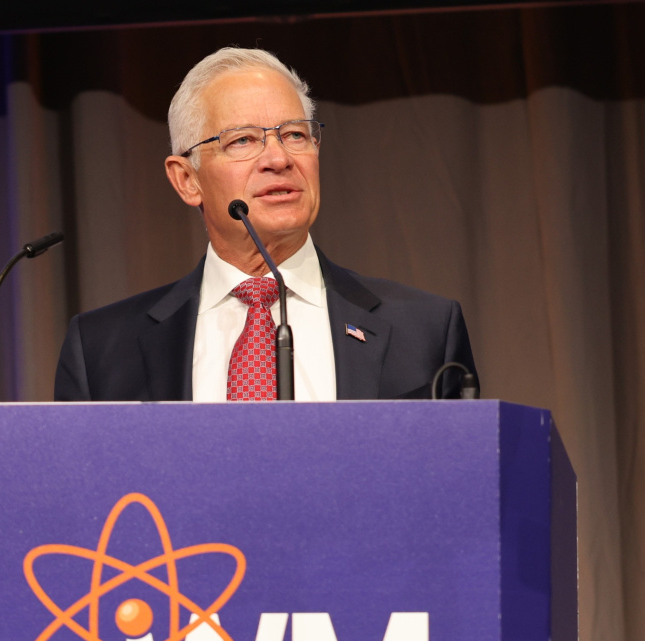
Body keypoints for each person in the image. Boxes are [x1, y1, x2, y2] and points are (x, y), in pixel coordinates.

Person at [53, 47, 476, 402]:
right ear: (187, 179)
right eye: (243, 140)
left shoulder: (423, 331)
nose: (279, 159)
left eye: (295, 134)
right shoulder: (102, 350)